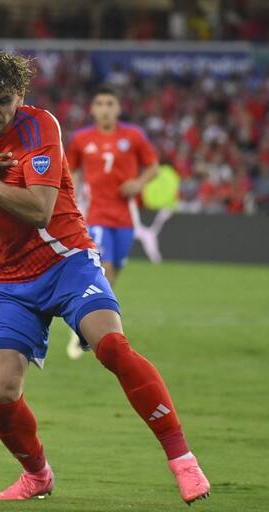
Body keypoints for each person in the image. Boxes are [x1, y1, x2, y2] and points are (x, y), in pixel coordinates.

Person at [0, 50, 210, 504]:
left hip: (66, 262)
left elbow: (38, 210)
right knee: (0, 390)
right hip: (9, 281)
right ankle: (37, 476)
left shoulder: (41, 127)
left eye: (4, 102)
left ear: (20, 97)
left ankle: (182, 460)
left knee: (111, 346)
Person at [64, 86, 159, 359]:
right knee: (102, 268)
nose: (105, 108)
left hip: (126, 217)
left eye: (110, 103)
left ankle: (86, 320)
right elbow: (70, 170)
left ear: (118, 108)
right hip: (96, 214)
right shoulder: (82, 139)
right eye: (100, 103)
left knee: (113, 273)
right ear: (92, 109)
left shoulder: (133, 136)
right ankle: (85, 328)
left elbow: (152, 166)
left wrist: (139, 182)